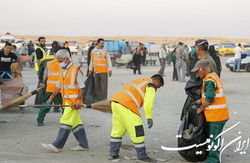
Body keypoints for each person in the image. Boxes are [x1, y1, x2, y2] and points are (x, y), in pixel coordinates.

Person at [41, 49, 88, 152]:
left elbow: (82, 87)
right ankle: (84, 145)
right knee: (76, 123)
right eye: (57, 61)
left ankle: (57, 145)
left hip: (74, 102)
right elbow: (58, 86)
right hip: (66, 100)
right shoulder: (62, 70)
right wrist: (51, 98)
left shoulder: (76, 70)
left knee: (65, 121)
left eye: (60, 61)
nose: (58, 63)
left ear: (67, 59)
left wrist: (79, 100)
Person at [109, 74, 164, 162]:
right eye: (159, 86)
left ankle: (113, 153)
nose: (157, 89)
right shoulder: (150, 86)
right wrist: (149, 117)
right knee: (138, 130)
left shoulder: (140, 81)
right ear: (156, 82)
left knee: (118, 129)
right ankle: (142, 156)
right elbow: (148, 103)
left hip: (115, 102)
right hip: (127, 104)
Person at [191, 59, 229, 163]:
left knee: (214, 138)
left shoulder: (209, 80)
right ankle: (211, 155)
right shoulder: (211, 76)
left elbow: (210, 99)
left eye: (197, 71)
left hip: (217, 116)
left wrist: (200, 109)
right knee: (213, 136)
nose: (197, 74)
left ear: (203, 69)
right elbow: (208, 96)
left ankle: (213, 159)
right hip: (217, 115)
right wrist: (199, 101)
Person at [36, 50, 63, 126]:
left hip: (50, 88)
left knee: (46, 104)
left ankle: (40, 120)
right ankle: (66, 121)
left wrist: (44, 83)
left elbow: (45, 75)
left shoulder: (49, 63)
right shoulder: (64, 64)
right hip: (61, 89)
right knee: (64, 106)